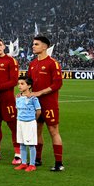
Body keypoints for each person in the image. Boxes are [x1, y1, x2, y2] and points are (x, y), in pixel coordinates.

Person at [28, 35, 64, 171]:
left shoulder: (52, 63)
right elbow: (29, 83)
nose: (33, 46)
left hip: (49, 104)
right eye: (33, 44)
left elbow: (57, 84)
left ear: (44, 47)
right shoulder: (32, 64)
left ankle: (59, 163)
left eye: (36, 44)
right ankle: (37, 159)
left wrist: (40, 92)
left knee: (53, 131)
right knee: (37, 130)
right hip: (35, 104)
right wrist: (25, 92)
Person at [0, 38, 21, 163]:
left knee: (13, 126)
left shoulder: (11, 61)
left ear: (4, 47)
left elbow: (14, 81)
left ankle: (18, 154)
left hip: (7, 100)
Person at [15, 76, 42, 172]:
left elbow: (38, 111)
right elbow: (18, 109)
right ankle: (23, 163)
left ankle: (32, 164)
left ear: (29, 86)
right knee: (22, 143)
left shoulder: (33, 98)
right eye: (19, 84)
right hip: (20, 122)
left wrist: (33, 119)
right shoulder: (18, 97)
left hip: (29, 122)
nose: (19, 86)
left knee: (31, 144)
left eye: (22, 84)